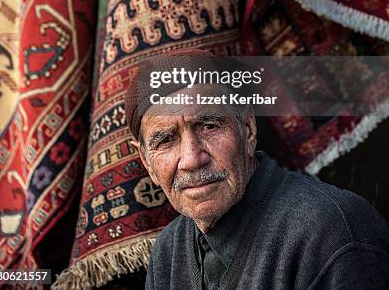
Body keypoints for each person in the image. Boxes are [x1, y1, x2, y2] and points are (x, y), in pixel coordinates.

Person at [125, 51, 389, 290]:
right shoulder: (168, 251)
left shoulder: (330, 232)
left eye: (209, 126)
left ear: (248, 129)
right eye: (166, 140)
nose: (192, 159)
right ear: (146, 161)